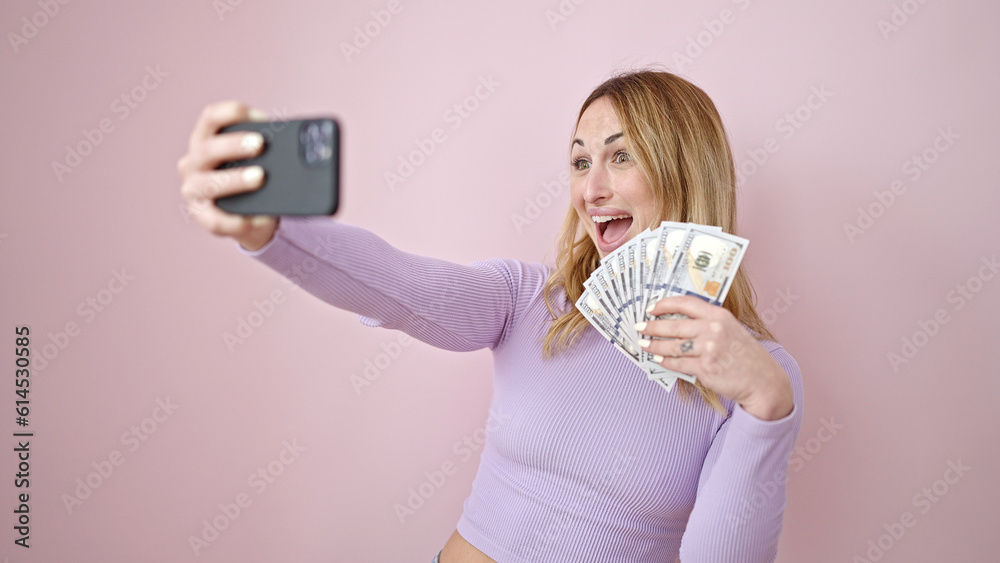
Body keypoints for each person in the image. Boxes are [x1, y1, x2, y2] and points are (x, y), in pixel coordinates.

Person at [177, 69, 804, 562]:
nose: (591, 190)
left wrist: (766, 406)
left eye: (620, 156)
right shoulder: (528, 301)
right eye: (580, 161)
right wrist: (270, 231)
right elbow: (399, 285)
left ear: (685, 169)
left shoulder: (761, 376)